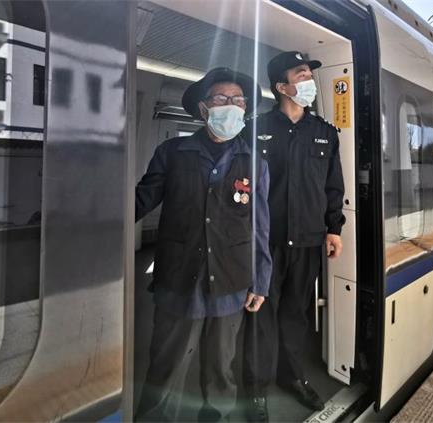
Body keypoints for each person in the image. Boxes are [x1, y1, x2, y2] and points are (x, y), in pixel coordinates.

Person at [134, 67, 272, 422]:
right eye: (222, 98)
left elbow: (260, 225)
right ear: (203, 108)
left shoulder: (254, 162)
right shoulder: (172, 152)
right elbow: (139, 201)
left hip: (231, 280)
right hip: (179, 280)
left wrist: (261, 279)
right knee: (166, 368)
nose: (232, 105)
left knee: (221, 370)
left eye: (238, 100)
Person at [243, 51, 345, 422]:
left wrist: (334, 228)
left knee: (296, 315)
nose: (309, 81)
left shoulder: (325, 132)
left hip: (308, 241)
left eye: (309, 75)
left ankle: (293, 377)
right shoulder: (255, 129)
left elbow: (333, 185)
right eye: (301, 75)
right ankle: (255, 390)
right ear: (282, 87)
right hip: (265, 242)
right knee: (260, 316)